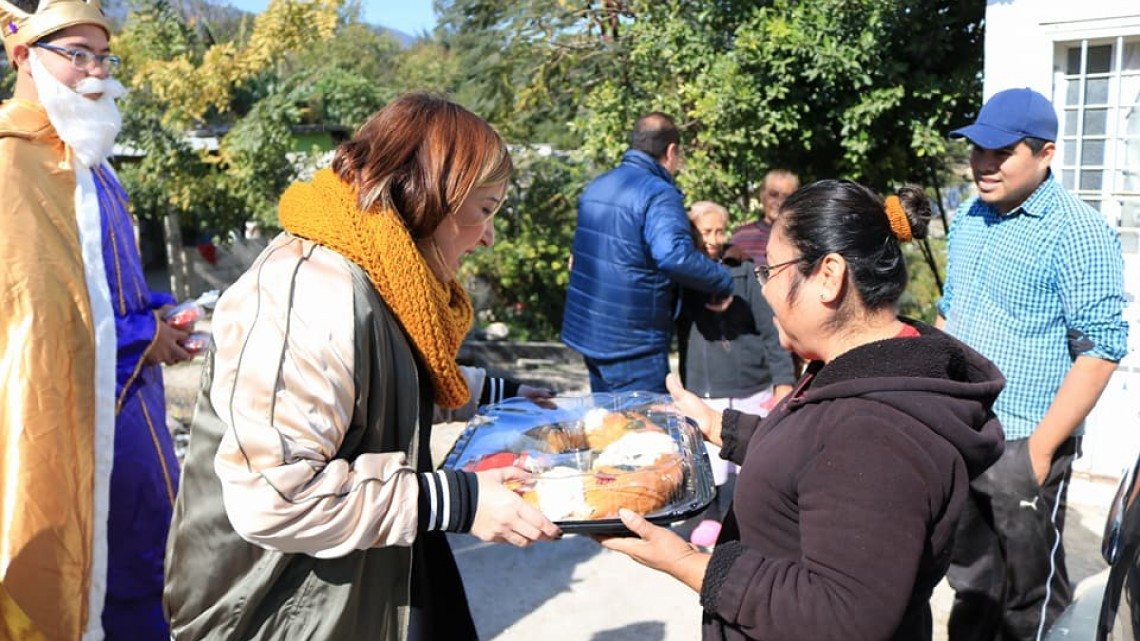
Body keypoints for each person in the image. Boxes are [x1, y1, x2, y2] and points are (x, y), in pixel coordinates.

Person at [163, 93, 562, 641]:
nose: (489, 235)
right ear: (428, 194)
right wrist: (459, 500)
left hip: (369, 569)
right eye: (486, 209)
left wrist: (499, 391)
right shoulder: (308, 290)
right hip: (283, 605)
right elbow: (276, 497)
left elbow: (387, 379)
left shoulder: (384, 268)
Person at [601, 179, 1006, 641]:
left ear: (829, 276)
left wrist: (686, 562)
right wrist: (718, 426)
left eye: (771, 270)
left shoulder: (876, 433)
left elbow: (839, 616)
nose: (765, 289)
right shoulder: (861, 369)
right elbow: (816, 459)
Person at [0, 1, 186, 638]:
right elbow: (25, 317)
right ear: (21, 54)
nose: (95, 72)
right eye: (75, 54)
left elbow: (107, 286)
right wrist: (143, 338)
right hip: (67, 414)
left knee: (145, 561)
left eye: (102, 56)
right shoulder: (10, 164)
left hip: (133, 402)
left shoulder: (93, 165)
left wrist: (163, 317)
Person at [938, 87, 1130, 641]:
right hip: (963, 431)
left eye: (1001, 152)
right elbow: (953, 314)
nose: (983, 164)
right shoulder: (972, 215)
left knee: (1030, 598)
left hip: (1024, 440)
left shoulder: (1078, 231)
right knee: (970, 581)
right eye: (977, 150)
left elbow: (1100, 348)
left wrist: (1042, 451)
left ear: (1046, 153)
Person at [561, 112, 733, 394]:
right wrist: (722, 281)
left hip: (589, 335)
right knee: (644, 433)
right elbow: (673, 256)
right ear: (671, 151)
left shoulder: (597, 186)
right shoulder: (659, 194)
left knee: (608, 428)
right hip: (634, 344)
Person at [676, 201, 795, 549]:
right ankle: (710, 515)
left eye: (718, 231)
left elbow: (771, 331)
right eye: (705, 231)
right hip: (705, 384)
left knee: (751, 459)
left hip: (750, 384)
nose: (713, 239)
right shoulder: (684, 277)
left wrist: (783, 379)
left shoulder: (744, 271)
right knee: (708, 460)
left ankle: (746, 518)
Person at [730, 168, 800, 264]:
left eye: (786, 197)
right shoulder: (741, 237)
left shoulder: (804, 236)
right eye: (773, 194)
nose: (779, 202)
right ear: (762, 196)